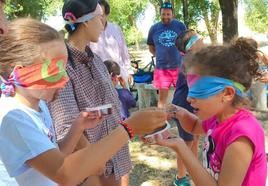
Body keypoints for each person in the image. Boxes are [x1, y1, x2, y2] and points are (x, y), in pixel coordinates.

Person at [0, 18, 167, 186]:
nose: (65, 79)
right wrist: (129, 129)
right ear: (21, 73)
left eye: (64, 68)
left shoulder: (38, 106)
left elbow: (58, 155)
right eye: (55, 70)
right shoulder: (14, 118)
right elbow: (65, 173)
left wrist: (77, 126)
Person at [156, 37, 267, 186]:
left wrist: (181, 147)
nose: (189, 98)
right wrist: (177, 111)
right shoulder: (218, 118)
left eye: (199, 90)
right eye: (190, 88)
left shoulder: (242, 135)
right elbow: (195, 126)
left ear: (227, 93)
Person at [48, 0, 135, 185]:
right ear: (86, 21)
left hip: (112, 155)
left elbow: (110, 106)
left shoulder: (95, 60)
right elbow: (67, 124)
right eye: (99, 17)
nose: (103, 22)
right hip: (91, 167)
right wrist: (95, 159)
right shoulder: (63, 65)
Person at [171, 29, 205, 186]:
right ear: (191, 47)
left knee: (195, 137)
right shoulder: (189, 62)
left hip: (193, 104)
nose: (202, 39)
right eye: (198, 38)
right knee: (186, 142)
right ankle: (180, 178)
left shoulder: (196, 58)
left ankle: (194, 169)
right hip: (183, 105)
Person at [147, 2, 186, 108]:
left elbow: (186, 43)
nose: (166, 17)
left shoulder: (180, 25)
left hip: (179, 68)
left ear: (172, 14)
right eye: (163, 14)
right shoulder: (154, 28)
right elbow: (151, 47)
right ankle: (162, 121)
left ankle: (183, 119)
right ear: (160, 14)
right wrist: (160, 55)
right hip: (162, 70)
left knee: (183, 96)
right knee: (162, 99)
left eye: (168, 14)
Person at [90, 0, 134, 87]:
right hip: (99, 78)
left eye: (101, 15)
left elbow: (123, 51)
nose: (99, 18)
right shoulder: (90, 31)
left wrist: (129, 71)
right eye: (96, 15)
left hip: (120, 76)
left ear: (107, 15)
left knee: (125, 99)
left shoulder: (116, 29)